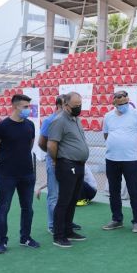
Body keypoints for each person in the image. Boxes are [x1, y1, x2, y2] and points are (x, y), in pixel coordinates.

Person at [0, 94, 40, 254]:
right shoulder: (1, 126)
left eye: (29, 107)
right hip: (6, 175)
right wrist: (5, 161)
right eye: (25, 107)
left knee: (28, 208)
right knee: (3, 208)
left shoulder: (30, 125)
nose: (28, 110)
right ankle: (1, 241)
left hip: (27, 174)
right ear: (15, 106)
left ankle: (25, 237)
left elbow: (29, 145)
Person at [101, 89, 137, 232]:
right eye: (120, 103)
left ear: (128, 101)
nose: (123, 105)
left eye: (125, 103)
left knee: (134, 191)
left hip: (131, 159)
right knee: (114, 191)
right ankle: (117, 219)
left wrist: (136, 145)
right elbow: (106, 134)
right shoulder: (108, 116)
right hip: (112, 159)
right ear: (114, 103)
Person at [47, 92, 90, 248]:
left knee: (73, 199)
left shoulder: (76, 119)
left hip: (79, 164)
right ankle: (59, 235)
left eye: (80, 105)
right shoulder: (59, 121)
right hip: (66, 164)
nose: (79, 108)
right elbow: (51, 145)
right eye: (75, 105)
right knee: (64, 201)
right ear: (66, 105)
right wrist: (56, 160)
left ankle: (68, 230)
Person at [37, 95, 81, 234]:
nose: (70, 108)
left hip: (68, 163)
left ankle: (66, 222)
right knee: (54, 194)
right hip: (55, 161)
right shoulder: (50, 121)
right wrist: (54, 157)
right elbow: (42, 143)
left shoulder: (72, 119)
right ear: (59, 106)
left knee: (67, 194)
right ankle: (53, 225)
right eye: (66, 104)